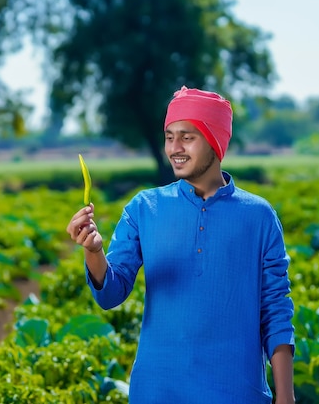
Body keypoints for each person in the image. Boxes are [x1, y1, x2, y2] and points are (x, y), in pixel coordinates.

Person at [66, 86, 295, 404]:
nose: (175, 148)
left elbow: (276, 311)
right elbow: (111, 292)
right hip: (157, 392)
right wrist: (94, 252)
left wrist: (286, 396)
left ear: (215, 141)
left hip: (238, 394)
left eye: (187, 137)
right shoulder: (144, 208)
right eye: (169, 136)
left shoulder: (259, 216)